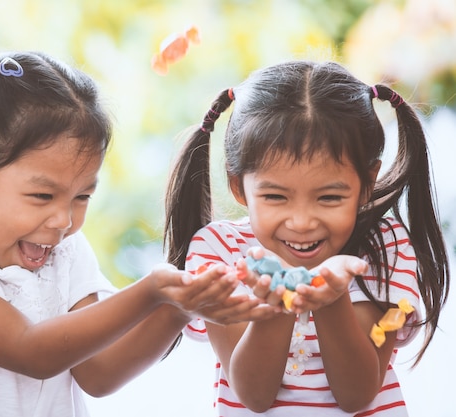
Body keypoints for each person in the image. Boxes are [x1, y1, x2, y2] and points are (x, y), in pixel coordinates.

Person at [0, 50, 271, 417]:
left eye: (82, 196)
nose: (63, 221)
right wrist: (152, 290)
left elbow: (98, 374)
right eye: (42, 195)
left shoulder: (65, 253)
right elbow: (32, 352)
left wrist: (177, 308)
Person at [164, 60, 450, 416]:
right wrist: (278, 303)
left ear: (366, 184)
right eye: (275, 197)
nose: (301, 222)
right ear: (238, 186)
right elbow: (253, 395)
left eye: (329, 197)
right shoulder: (219, 252)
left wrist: (330, 299)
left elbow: (357, 393)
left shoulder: (383, 248)